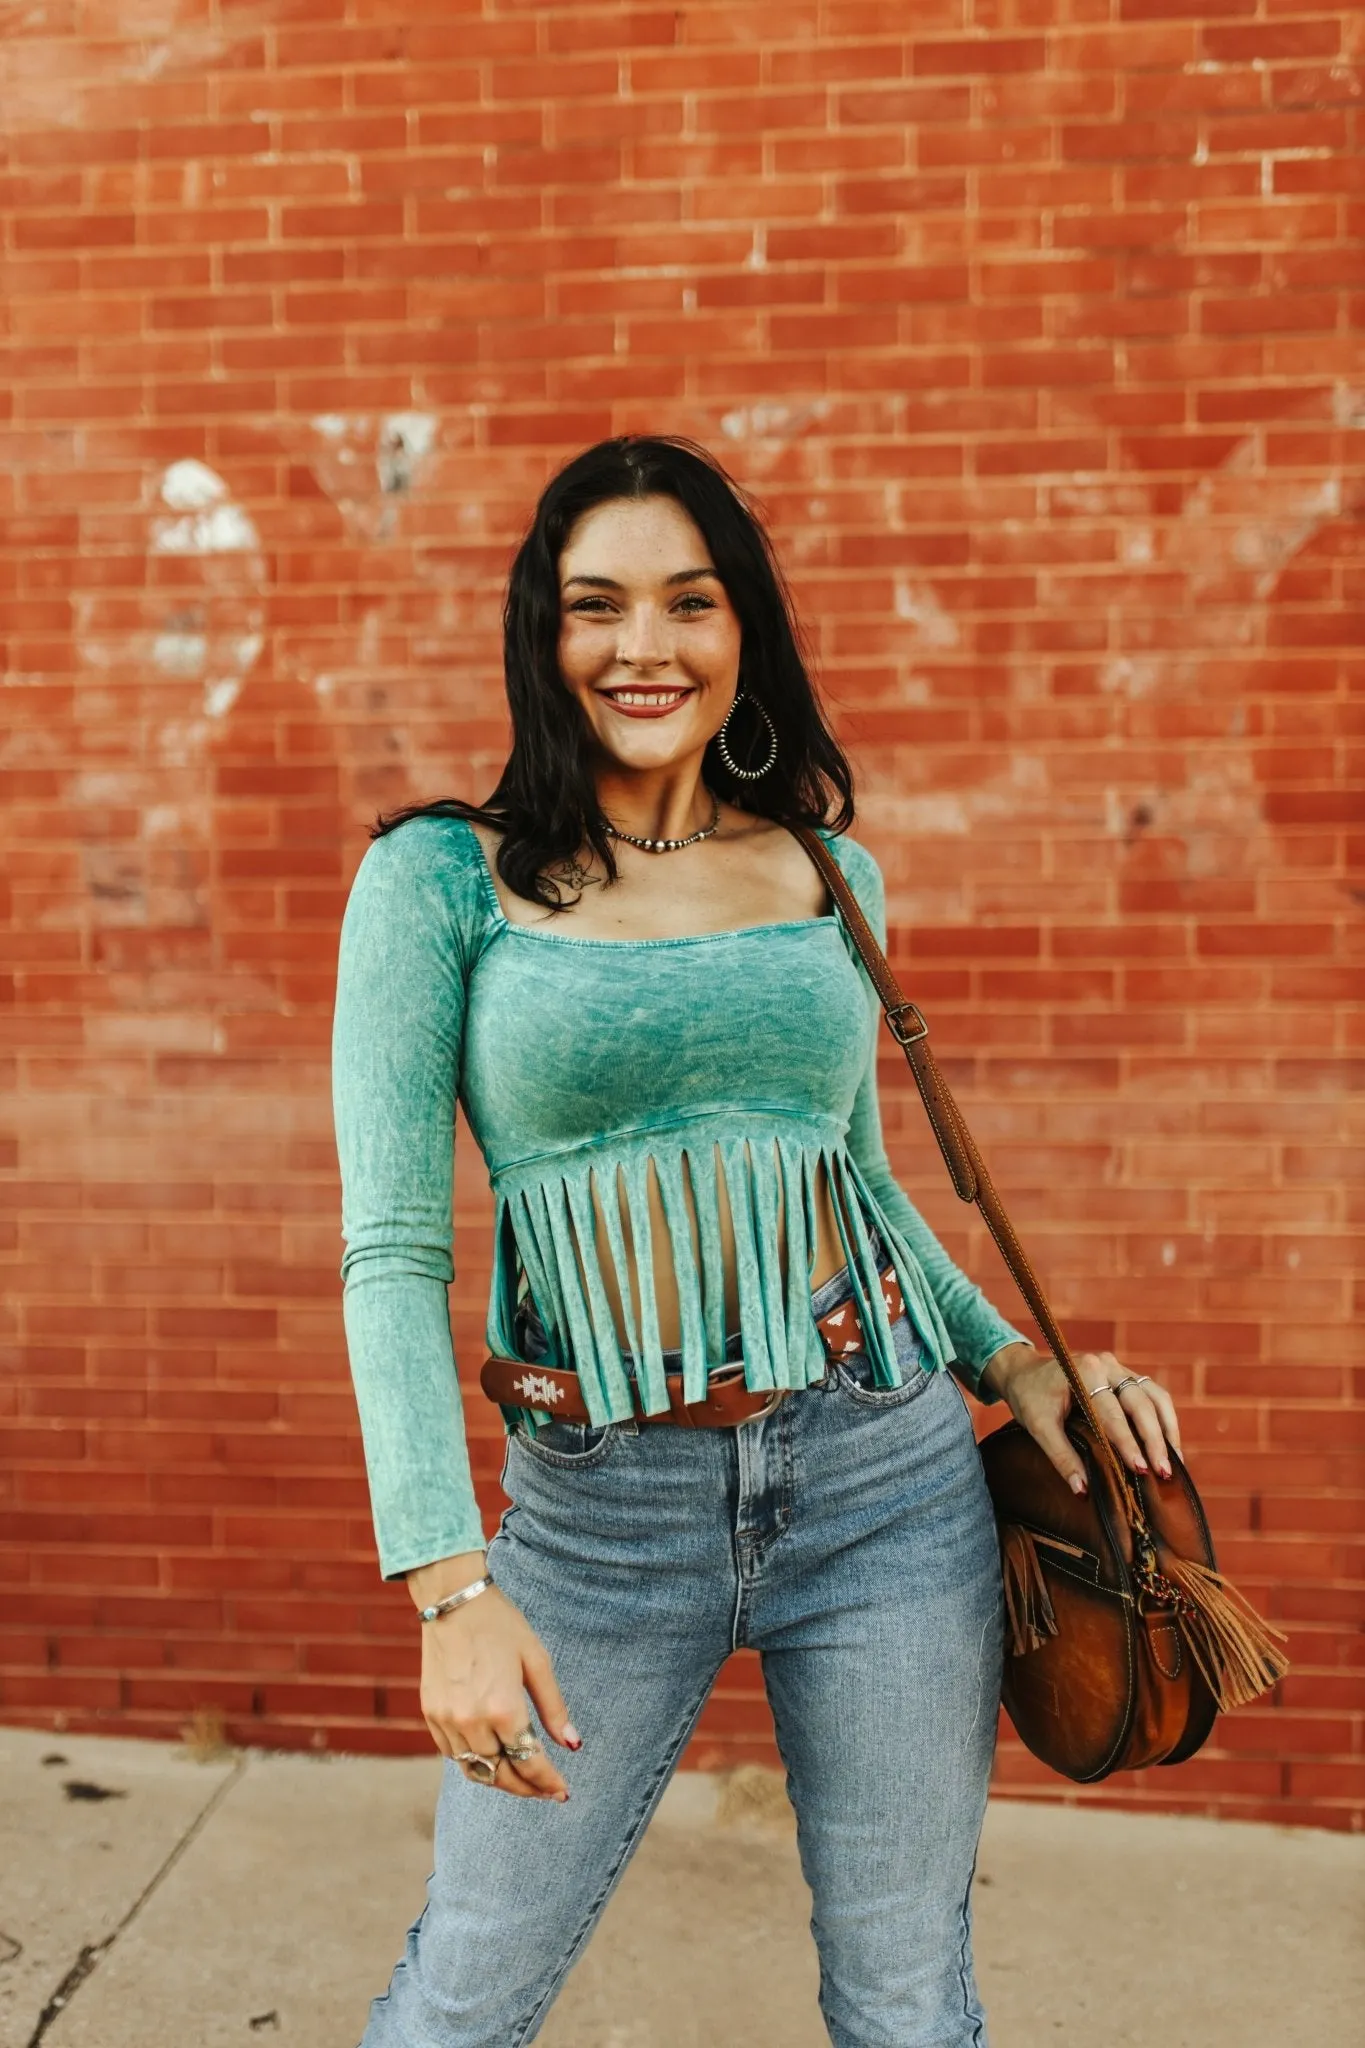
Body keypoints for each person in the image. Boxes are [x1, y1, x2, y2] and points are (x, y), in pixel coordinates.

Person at [330, 435, 1182, 2047]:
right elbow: (391, 1251)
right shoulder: (439, 879)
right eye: (597, 607)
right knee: (460, 2004)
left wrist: (1012, 1357)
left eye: (688, 602)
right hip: (597, 1514)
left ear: (743, 636)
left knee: (907, 2002)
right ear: (545, 634)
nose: (643, 646)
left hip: (886, 1483)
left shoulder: (824, 871)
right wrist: (448, 1587)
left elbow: (853, 1186)